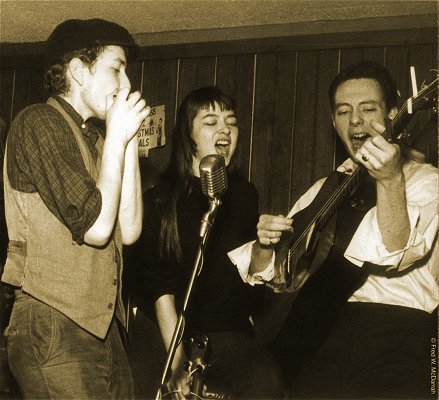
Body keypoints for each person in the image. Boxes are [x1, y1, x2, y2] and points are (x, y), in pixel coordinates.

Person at [228, 61, 438, 399]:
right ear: (333, 122)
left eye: (368, 108)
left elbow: (396, 250)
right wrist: (265, 247)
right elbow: (279, 276)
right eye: (343, 111)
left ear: (395, 114)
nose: (355, 119)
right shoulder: (326, 188)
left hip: (401, 337)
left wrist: (389, 180)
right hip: (323, 335)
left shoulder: (427, 182)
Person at [1, 18, 149, 399]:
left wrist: (127, 142)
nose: (126, 84)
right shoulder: (37, 122)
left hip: (103, 329)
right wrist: (117, 136)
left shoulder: (100, 142)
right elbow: (96, 229)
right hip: (52, 323)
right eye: (116, 68)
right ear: (80, 72)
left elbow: (128, 230)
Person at [127, 86, 283, 399]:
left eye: (231, 121)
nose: (225, 128)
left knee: (267, 382)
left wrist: (265, 248)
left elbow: (249, 274)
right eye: (211, 122)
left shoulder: (244, 194)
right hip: (167, 328)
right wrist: (177, 363)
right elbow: (161, 292)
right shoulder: (160, 200)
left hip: (227, 330)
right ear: (188, 135)